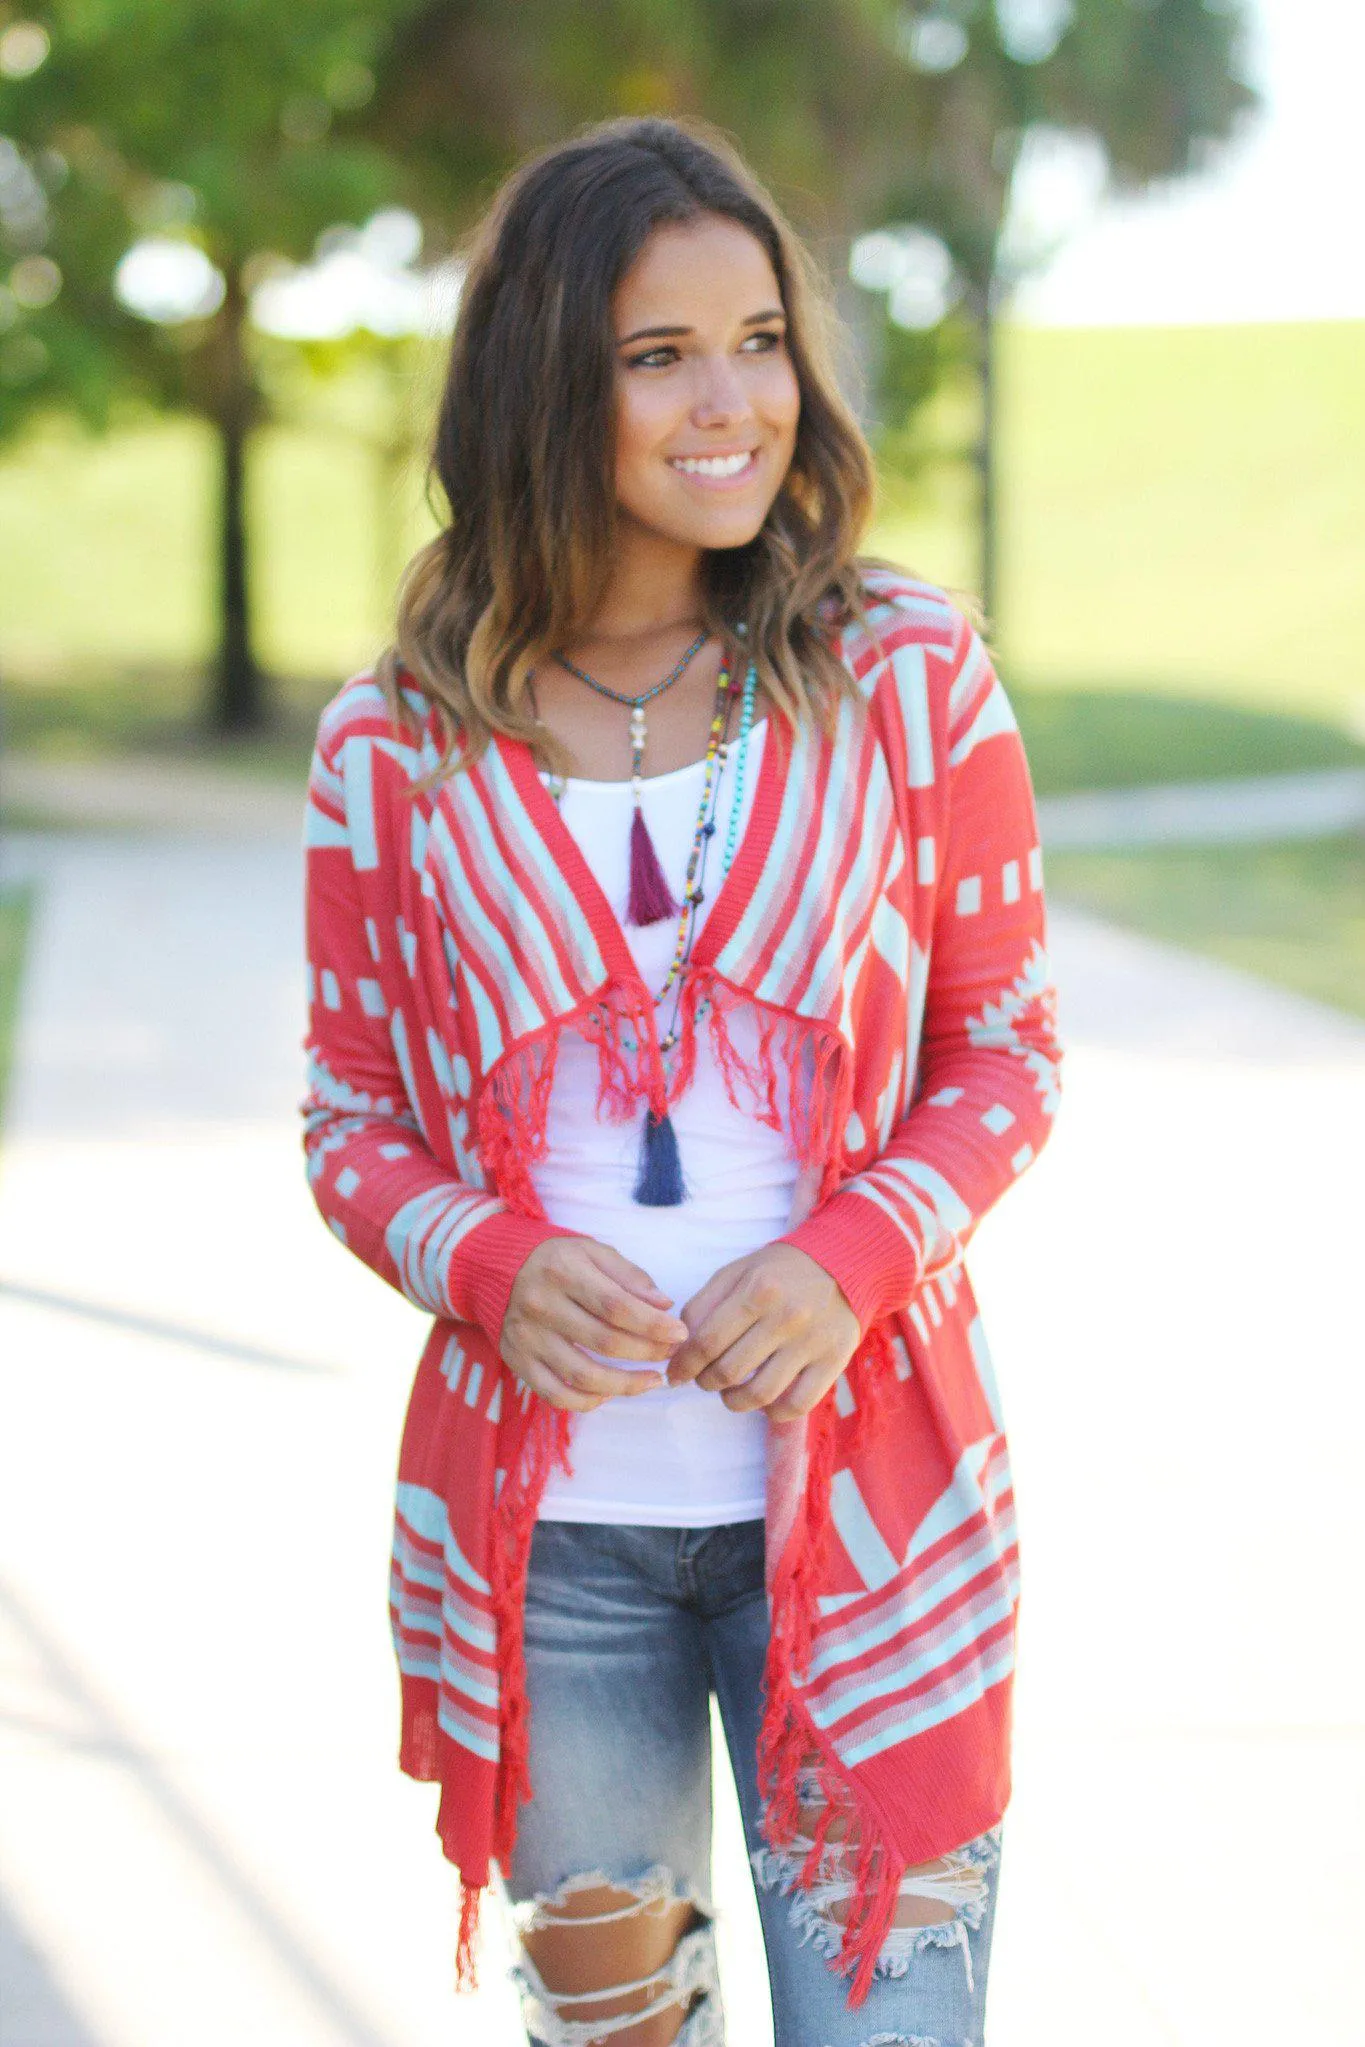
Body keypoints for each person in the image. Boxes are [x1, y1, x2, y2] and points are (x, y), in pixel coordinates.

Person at [301, 114, 1061, 2047]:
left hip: (871, 1525)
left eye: (760, 340)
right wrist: (477, 1255)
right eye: (660, 356)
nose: (734, 402)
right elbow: (349, 1114)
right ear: (552, 376)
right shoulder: (395, 742)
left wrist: (850, 1256)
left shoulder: (904, 672)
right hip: (550, 1559)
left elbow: (1008, 1047)